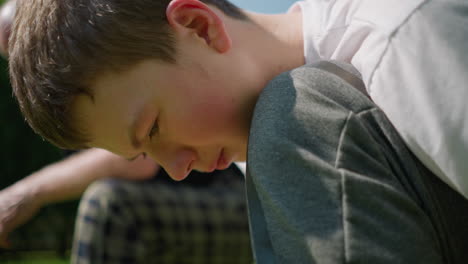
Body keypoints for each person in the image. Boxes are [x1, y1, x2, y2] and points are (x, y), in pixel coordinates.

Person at [7, 0, 468, 262]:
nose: (178, 169)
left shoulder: (401, 40)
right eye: (144, 152)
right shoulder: (258, 141)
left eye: (154, 128)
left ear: (199, 26)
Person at [0, 1, 252, 263]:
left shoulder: (115, 71)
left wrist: (27, 193)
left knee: (110, 206)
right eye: (12, 54)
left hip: (236, 200)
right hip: (174, 216)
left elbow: (139, 165)